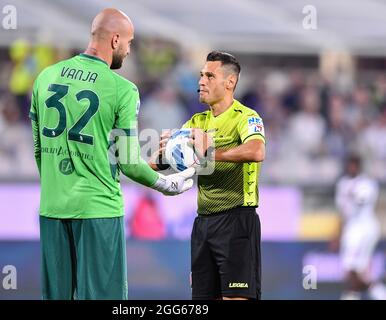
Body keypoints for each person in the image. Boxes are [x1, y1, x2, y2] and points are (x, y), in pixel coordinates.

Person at [29, 8, 195, 300]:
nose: (129, 51)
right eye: (129, 43)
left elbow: (39, 150)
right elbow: (129, 163)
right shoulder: (122, 89)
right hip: (99, 211)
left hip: (52, 208)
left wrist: (59, 187)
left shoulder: (46, 77)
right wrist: (167, 184)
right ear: (116, 39)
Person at [150, 51, 266, 300]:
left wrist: (210, 153)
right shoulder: (195, 122)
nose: (201, 81)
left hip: (237, 221)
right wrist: (160, 154)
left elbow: (257, 150)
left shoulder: (245, 117)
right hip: (203, 224)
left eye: (210, 76)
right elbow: (162, 163)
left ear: (230, 82)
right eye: (201, 75)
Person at [332, 154, 386, 300]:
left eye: (354, 164)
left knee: (354, 270)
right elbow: (343, 212)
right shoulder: (342, 184)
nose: (351, 168)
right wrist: (338, 234)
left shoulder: (366, 184)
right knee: (356, 272)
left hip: (364, 229)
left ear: (359, 166)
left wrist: (353, 194)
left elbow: (361, 200)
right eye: (349, 164)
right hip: (351, 230)